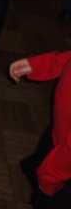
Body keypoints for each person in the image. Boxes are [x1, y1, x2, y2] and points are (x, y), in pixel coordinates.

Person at [10, 52, 71, 208]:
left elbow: (65, 159)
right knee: (41, 156)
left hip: (62, 167)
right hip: (58, 133)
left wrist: (49, 179)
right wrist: (40, 65)